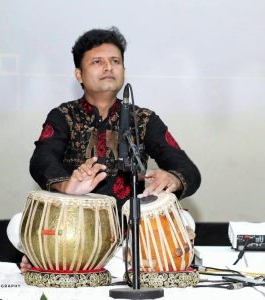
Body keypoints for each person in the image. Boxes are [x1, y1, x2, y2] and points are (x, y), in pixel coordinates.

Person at [17, 26, 201, 272]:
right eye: (97, 61)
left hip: (130, 229)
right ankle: (99, 261)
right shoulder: (63, 115)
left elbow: (186, 167)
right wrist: (67, 186)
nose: (108, 67)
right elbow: (42, 159)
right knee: (17, 224)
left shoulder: (144, 119)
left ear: (123, 70)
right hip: (77, 229)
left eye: (115, 61)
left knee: (185, 219)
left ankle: (57, 259)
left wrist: (173, 178)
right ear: (79, 74)